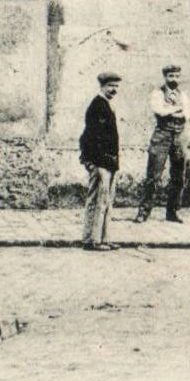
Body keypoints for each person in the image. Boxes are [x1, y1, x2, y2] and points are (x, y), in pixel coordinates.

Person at [136, 62, 190, 223]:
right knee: (154, 175)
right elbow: (159, 110)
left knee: (179, 175)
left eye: (176, 76)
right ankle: (144, 211)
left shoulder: (183, 95)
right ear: (165, 77)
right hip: (162, 136)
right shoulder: (157, 93)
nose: (174, 79)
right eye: (170, 76)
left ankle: (172, 211)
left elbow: (188, 114)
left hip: (179, 136)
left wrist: (171, 110)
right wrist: (176, 110)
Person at [79, 72, 121, 249]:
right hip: (100, 163)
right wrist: (91, 162)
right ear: (102, 86)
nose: (114, 90)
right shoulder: (97, 106)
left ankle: (104, 238)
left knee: (106, 201)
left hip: (109, 163)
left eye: (116, 87)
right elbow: (88, 137)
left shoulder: (106, 105)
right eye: (111, 86)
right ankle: (92, 240)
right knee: (97, 201)